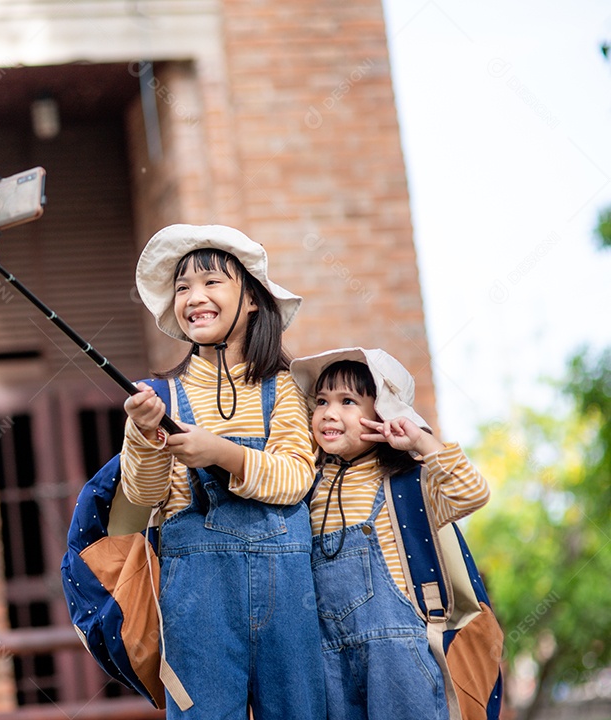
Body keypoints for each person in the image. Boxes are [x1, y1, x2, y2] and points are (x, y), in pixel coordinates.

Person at [121, 224, 325, 719]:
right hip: (197, 600)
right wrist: (145, 435)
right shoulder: (160, 396)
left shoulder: (286, 387)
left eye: (212, 282)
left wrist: (220, 452)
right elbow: (144, 495)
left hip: (292, 601)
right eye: (183, 287)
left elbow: (296, 479)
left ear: (252, 298)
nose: (195, 297)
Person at [289, 347, 491, 720]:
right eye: (321, 401)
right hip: (327, 657)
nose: (329, 413)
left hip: (399, 650)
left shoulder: (408, 483)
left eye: (348, 401)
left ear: (383, 413)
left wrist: (419, 442)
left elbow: (472, 491)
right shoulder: (308, 486)